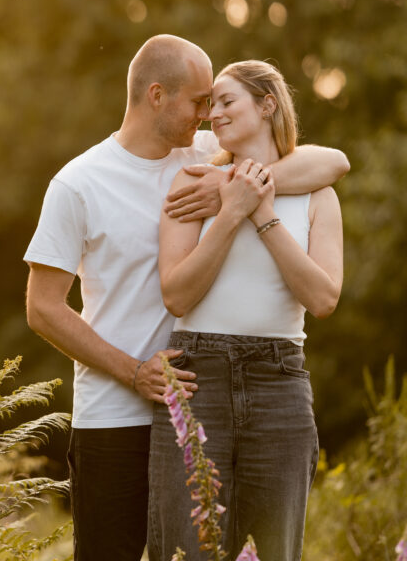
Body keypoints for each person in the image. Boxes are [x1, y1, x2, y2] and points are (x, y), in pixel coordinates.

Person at [23, 35, 348, 561]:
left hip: (196, 394)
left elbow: (331, 163)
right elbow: (42, 307)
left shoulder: (200, 158)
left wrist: (231, 187)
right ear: (157, 95)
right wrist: (132, 372)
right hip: (116, 412)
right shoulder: (79, 183)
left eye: (217, 101)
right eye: (200, 101)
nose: (208, 115)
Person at [148, 61, 342, 561]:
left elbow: (322, 299)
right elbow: (177, 296)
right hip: (198, 379)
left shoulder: (319, 195)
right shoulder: (193, 184)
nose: (213, 114)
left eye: (226, 101)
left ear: (267, 104)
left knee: (276, 550)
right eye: (210, 105)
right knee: (187, 550)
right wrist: (231, 208)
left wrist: (261, 208)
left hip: (279, 384)